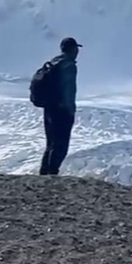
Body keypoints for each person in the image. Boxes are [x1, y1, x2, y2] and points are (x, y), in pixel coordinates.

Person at [39, 37, 81, 176]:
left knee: (51, 143)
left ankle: (44, 173)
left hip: (49, 108)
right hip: (61, 110)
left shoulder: (53, 62)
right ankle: (52, 173)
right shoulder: (68, 65)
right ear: (73, 49)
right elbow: (68, 90)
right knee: (61, 144)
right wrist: (70, 110)